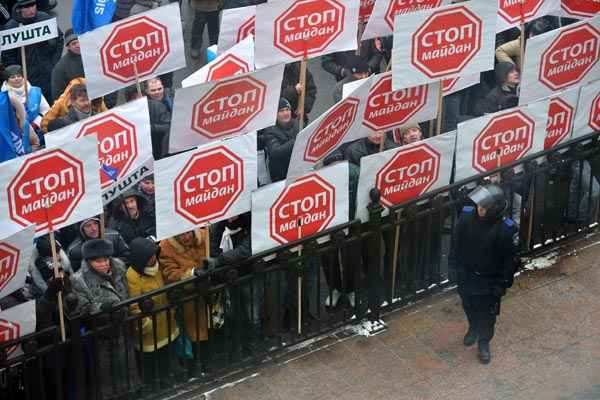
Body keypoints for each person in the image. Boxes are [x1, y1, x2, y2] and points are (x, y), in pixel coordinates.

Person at [448, 184, 519, 364]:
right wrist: (454, 268)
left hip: (488, 282)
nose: (480, 209)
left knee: (487, 316)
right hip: (466, 276)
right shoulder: (466, 218)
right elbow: (456, 245)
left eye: (484, 207)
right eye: (479, 205)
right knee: (468, 305)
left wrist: (501, 284)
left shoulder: (505, 230)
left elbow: (509, 261)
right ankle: (473, 327)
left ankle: (484, 342)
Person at [70, 238, 141, 399]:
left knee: (127, 369)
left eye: (105, 259)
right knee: (107, 376)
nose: (104, 264)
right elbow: (81, 307)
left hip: (123, 327)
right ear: (88, 261)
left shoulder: (119, 267)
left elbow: (127, 291)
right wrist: (100, 308)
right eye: (98, 261)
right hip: (102, 334)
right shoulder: (79, 279)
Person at [126, 237, 180, 389]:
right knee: (151, 361)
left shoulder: (158, 266)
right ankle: (153, 386)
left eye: (154, 255)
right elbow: (134, 305)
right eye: (149, 257)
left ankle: (167, 379)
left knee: (167, 355)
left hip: (166, 319)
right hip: (150, 330)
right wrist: (145, 325)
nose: (153, 259)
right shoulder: (132, 276)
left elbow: (167, 283)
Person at [159, 229, 210, 373]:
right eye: (181, 234)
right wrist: (191, 274)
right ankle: (199, 364)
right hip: (189, 296)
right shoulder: (166, 248)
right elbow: (170, 273)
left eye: (188, 233)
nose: (186, 237)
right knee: (196, 333)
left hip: (209, 290)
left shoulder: (205, 235)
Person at [1, 0, 63, 100]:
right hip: (28, 76)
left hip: (49, 70)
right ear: (20, 9)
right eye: (27, 7)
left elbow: (59, 39)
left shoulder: (44, 18)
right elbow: (7, 56)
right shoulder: (11, 27)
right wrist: (18, 73)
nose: (31, 10)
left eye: (32, 6)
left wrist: (54, 61)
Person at [1, 64, 49, 146]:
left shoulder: (35, 91)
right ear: (7, 80)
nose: (16, 79)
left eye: (19, 76)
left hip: (39, 131)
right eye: (12, 77)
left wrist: (36, 124)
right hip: (16, 138)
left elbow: (46, 111)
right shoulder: (3, 98)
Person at [41, 78, 107, 132]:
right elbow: (45, 124)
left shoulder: (98, 115)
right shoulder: (66, 124)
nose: (86, 103)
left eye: (88, 99)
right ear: (73, 102)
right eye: (82, 101)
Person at [261, 98, 299, 182]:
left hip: (297, 169)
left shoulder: (296, 123)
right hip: (281, 174)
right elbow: (275, 152)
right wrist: (294, 142)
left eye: (287, 109)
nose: (285, 113)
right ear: (276, 114)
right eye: (281, 111)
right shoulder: (270, 130)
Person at [51, 29, 84, 103]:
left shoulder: (93, 55)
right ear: (68, 47)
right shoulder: (60, 68)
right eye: (74, 43)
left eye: (79, 41)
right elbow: (58, 97)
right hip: (78, 108)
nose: (78, 45)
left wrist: (109, 103)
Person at [145, 78, 172, 159]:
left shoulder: (171, 97)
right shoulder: (145, 106)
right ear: (147, 91)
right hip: (156, 145)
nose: (157, 92)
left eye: (159, 89)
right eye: (153, 90)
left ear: (163, 87)